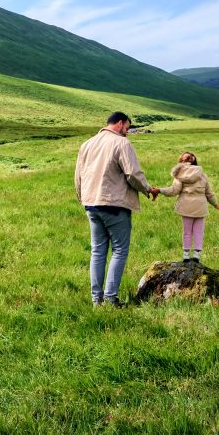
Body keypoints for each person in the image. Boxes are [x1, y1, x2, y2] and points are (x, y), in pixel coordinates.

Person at [75, 111, 157, 306]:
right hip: (113, 204)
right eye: (127, 128)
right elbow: (132, 174)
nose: (127, 132)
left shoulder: (87, 144)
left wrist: (83, 198)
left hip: (91, 204)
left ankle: (97, 300)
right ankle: (111, 299)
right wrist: (147, 189)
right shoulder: (121, 143)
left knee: (97, 252)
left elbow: (78, 177)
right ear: (120, 124)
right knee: (119, 250)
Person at [152, 152, 219, 265]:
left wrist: (160, 190)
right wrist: (215, 204)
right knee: (199, 232)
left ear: (181, 161)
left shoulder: (179, 175)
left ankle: (186, 255)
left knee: (187, 232)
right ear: (194, 160)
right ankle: (196, 255)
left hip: (185, 206)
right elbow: (209, 193)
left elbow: (173, 191)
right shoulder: (202, 175)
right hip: (200, 207)